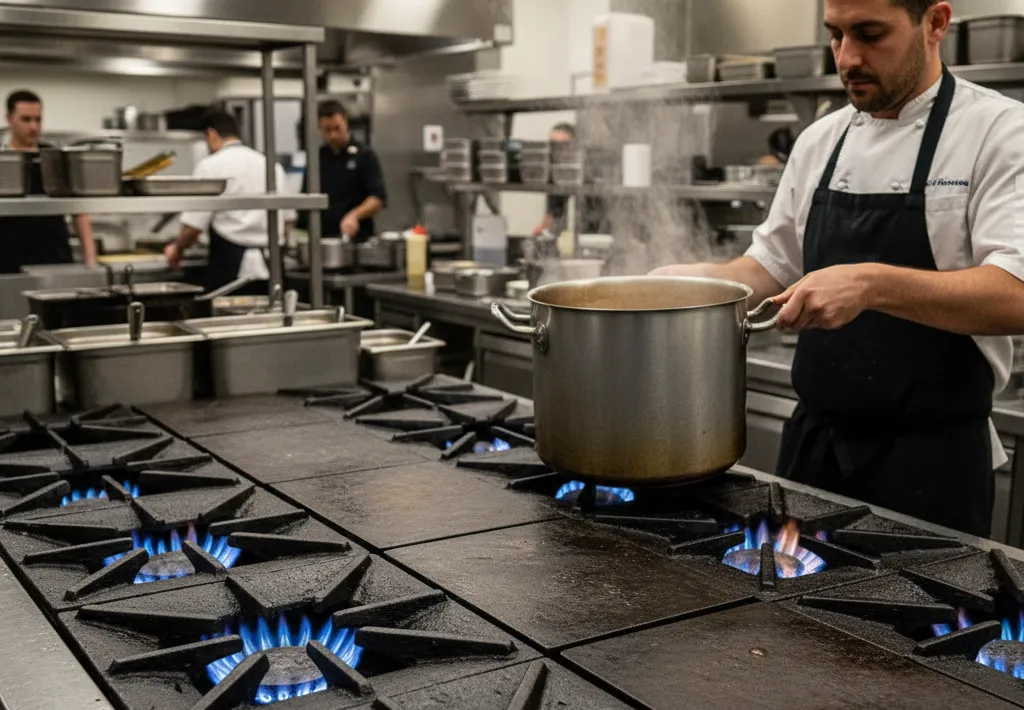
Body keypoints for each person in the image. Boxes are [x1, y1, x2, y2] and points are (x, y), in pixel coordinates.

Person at [651, 0, 1024, 537]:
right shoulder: (821, 140)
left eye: (870, 34)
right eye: (836, 35)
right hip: (815, 454)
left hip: (930, 467)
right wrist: (690, 285)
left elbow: (1015, 293)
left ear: (935, 24)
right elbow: (769, 267)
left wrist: (871, 284)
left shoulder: (998, 132)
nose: (847, 57)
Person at [165, 109, 294, 293]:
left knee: (227, 310)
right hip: (272, 265)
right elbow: (288, 220)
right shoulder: (271, 165)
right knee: (273, 310)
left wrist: (177, 249)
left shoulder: (211, 166)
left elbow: (193, 226)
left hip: (230, 266)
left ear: (211, 134)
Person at [0, 90, 96, 273]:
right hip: (8, 260)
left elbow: (79, 211)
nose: (34, 126)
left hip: (54, 258)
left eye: (38, 119)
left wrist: (90, 259)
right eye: (26, 119)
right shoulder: (3, 159)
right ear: (9, 119)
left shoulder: (55, 157)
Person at [297, 100, 386, 243]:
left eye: (337, 128)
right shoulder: (316, 158)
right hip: (323, 240)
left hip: (357, 240)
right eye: (327, 130)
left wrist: (354, 215)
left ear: (346, 123)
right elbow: (306, 199)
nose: (333, 135)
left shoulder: (364, 155)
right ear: (320, 128)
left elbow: (377, 198)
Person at [531, 123, 607, 238]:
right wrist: (542, 230)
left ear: (575, 147)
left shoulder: (590, 173)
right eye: (552, 145)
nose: (556, 151)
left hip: (596, 236)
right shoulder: (556, 176)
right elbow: (553, 214)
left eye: (562, 146)